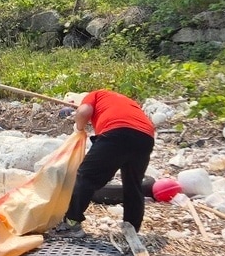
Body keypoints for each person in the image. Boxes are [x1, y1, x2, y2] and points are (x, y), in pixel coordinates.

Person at [56, 89, 156, 233]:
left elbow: (83, 112)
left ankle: (71, 223)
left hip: (116, 133)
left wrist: (78, 129)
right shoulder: (126, 101)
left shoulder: (95, 94)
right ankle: (132, 228)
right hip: (145, 137)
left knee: (86, 177)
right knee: (133, 184)